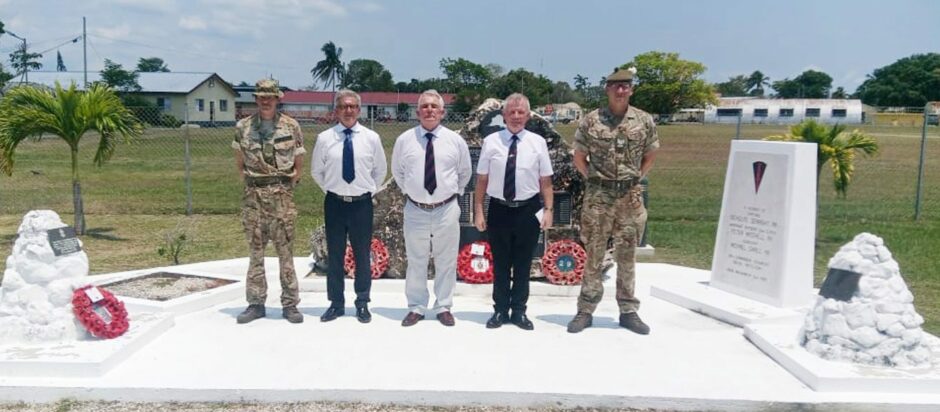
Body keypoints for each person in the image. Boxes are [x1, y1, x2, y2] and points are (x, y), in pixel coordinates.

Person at [567, 67, 659, 335]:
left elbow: (651, 154)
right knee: (593, 254)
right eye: (615, 85)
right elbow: (579, 157)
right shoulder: (592, 121)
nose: (621, 90)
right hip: (599, 197)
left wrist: (634, 179)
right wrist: (596, 180)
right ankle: (585, 309)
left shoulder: (643, 120)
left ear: (631, 89)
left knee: (627, 255)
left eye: (626, 85)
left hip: (629, 197)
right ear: (607, 89)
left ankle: (628, 310)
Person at [391, 90, 471, 327]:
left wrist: (449, 194)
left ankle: (443, 306)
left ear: (442, 112)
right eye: (424, 106)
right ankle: (416, 306)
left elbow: (464, 173)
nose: (429, 110)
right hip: (415, 209)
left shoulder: (455, 141)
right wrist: (415, 193)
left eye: (434, 107)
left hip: (446, 208)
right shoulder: (404, 140)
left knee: (446, 259)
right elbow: (398, 172)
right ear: (417, 112)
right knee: (416, 259)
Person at [473, 93, 553, 331]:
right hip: (499, 209)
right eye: (512, 112)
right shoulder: (492, 142)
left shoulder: (537, 143)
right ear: (503, 115)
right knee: (500, 263)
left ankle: (518, 311)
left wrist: (548, 209)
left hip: (528, 209)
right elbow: (482, 180)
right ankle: (499, 310)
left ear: (528, 116)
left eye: (521, 112)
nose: (516, 116)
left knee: (522, 263)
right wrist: (479, 210)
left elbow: (546, 180)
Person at [232, 78, 306, 324]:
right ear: (255, 99)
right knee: (255, 252)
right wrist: (255, 184)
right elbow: (240, 163)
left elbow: (298, 165)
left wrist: (282, 187)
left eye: (270, 96)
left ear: (277, 99)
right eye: (261, 96)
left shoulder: (291, 126)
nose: (265, 101)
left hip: (281, 196)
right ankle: (255, 303)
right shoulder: (243, 126)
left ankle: (290, 304)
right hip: (254, 196)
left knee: (286, 252)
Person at [311, 89, 387, 323]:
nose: (348, 110)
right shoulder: (325, 138)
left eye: (353, 106)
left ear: (359, 110)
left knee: (362, 254)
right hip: (334, 204)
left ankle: (362, 302)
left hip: (361, 205)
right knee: (335, 254)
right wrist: (336, 191)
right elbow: (317, 171)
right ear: (337, 110)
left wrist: (362, 192)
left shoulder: (371, 138)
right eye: (343, 106)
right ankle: (336, 303)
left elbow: (380, 171)